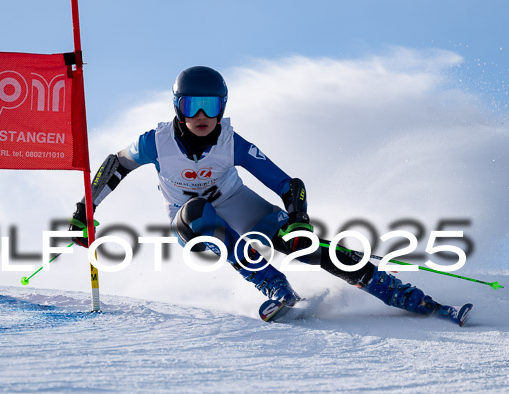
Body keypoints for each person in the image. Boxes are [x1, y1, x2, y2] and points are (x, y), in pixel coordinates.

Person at [69, 66, 471, 326]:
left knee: (307, 247)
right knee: (198, 213)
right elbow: (113, 166)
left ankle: (413, 300)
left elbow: (286, 183)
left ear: (222, 106)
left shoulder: (231, 141)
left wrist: (298, 220)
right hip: (190, 220)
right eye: (192, 105)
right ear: (178, 107)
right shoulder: (154, 142)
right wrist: (86, 211)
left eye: (211, 105)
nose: (202, 116)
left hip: (239, 206)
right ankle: (278, 289)